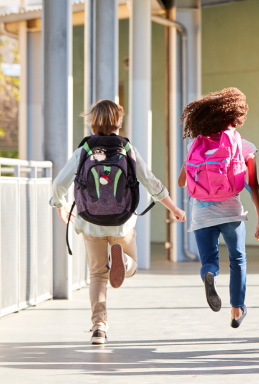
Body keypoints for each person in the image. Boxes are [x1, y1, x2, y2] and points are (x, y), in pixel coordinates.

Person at [51, 100, 186, 345]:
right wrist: (174, 208)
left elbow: (60, 183)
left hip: (90, 222)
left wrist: (60, 205)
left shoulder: (84, 149)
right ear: (118, 122)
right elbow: (150, 182)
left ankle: (98, 329)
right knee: (130, 266)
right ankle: (122, 260)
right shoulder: (127, 148)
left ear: (93, 121)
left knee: (97, 276)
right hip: (122, 223)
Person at [178, 87, 259, 328]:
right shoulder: (243, 145)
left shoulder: (196, 144)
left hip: (202, 214)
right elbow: (253, 185)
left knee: (209, 260)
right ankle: (237, 309)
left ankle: (210, 274)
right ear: (232, 116)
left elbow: (181, 181)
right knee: (237, 259)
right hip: (231, 212)